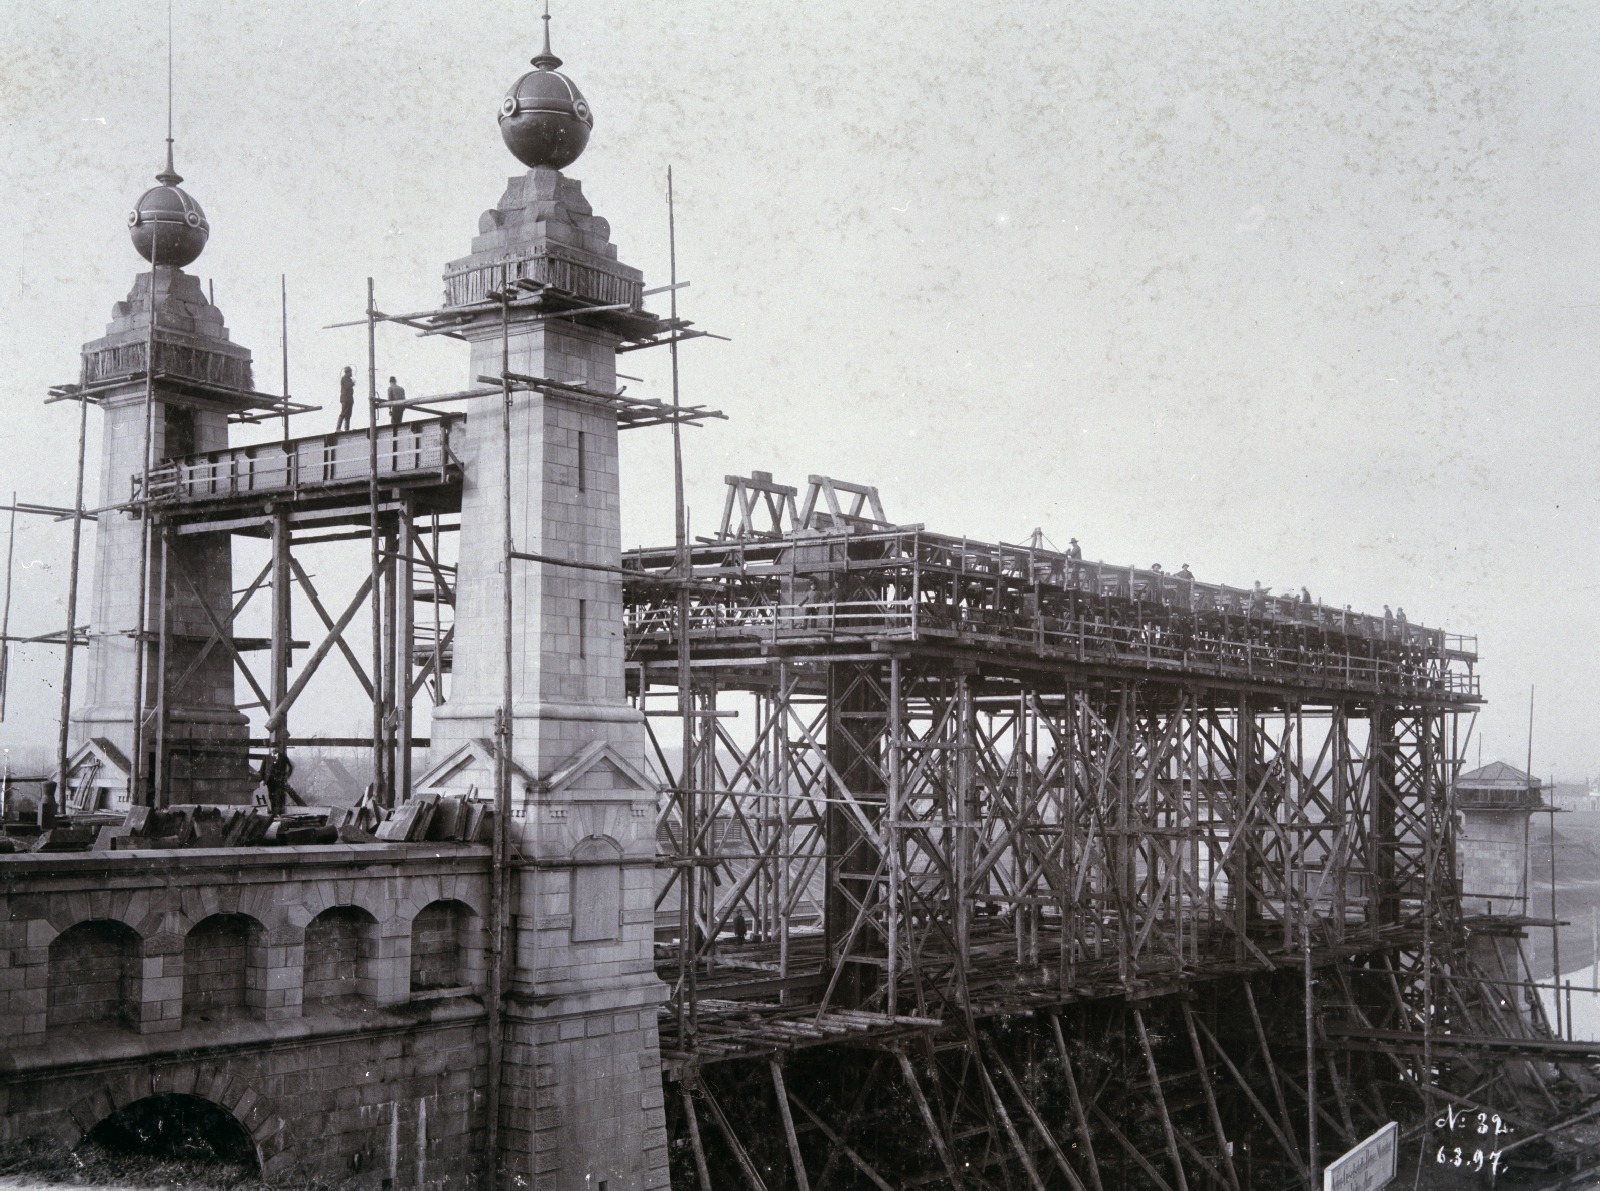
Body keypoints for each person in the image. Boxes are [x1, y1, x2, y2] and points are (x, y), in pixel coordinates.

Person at [336, 366, 355, 432]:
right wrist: (352, 384)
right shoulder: (344, 378)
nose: (351, 373)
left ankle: (346, 429)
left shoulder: (348, 379)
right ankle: (338, 428)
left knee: (348, 414)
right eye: (350, 371)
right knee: (344, 413)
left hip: (349, 399)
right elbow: (347, 387)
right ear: (348, 372)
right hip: (346, 399)